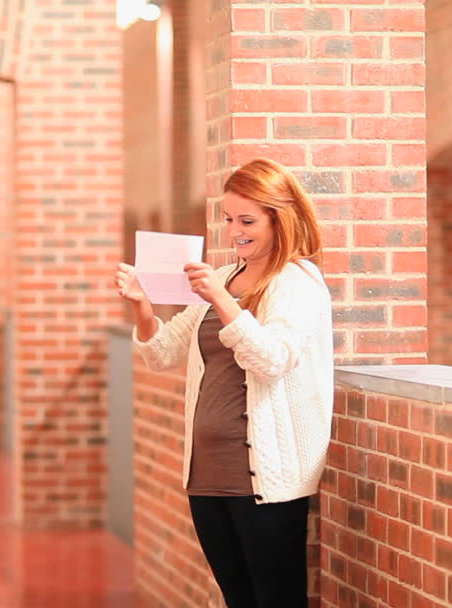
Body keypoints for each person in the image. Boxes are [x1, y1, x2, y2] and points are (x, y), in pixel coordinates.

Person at [114, 158, 333, 608]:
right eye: (229, 219)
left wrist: (222, 301)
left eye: (247, 221)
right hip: (207, 475)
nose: (235, 231)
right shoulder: (224, 277)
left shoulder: (297, 281)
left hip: (263, 479)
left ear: (279, 218)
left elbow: (272, 359)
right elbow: (163, 353)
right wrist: (141, 305)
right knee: (238, 599)